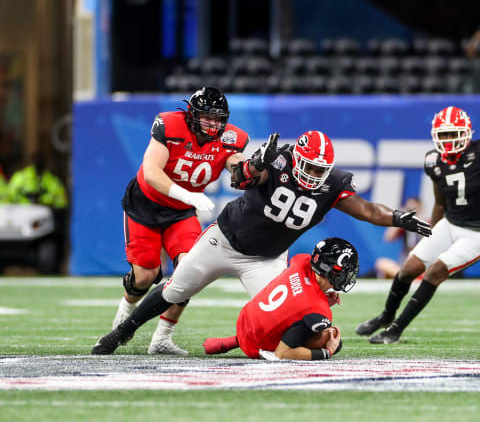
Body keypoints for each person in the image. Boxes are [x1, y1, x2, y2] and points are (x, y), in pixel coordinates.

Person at [91, 130, 431, 355]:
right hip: (224, 240)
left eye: (321, 170)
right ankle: (122, 332)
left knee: (287, 315)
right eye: (310, 167)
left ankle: (264, 348)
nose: (314, 176)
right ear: (297, 157)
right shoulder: (279, 160)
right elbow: (240, 178)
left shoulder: (332, 184)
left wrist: (398, 217)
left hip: (265, 259)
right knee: (174, 290)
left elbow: (368, 209)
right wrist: (255, 164)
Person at [356, 106, 480, 344]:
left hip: (479, 232)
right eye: (444, 134)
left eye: (453, 134)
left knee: (435, 271)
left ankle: (395, 330)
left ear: (466, 133)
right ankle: (386, 316)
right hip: (450, 223)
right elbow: (439, 203)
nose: (448, 140)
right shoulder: (434, 161)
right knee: (407, 270)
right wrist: (429, 232)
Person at [110, 86, 249, 356]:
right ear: (192, 115)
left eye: (219, 118)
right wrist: (188, 194)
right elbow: (151, 172)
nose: (213, 124)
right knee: (145, 276)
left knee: (189, 270)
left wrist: (248, 170)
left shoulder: (232, 138)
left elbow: (236, 164)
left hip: (182, 212)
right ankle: (124, 313)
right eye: (207, 118)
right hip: (145, 205)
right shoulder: (170, 125)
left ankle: (162, 338)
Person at [203, 237, 359, 361]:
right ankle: (249, 343)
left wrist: (320, 300)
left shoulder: (301, 262)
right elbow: (282, 353)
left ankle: (232, 341)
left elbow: (297, 298)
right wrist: (327, 351)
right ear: (331, 270)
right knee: (328, 336)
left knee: (298, 316)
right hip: (256, 344)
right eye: (345, 270)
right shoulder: (318, 310)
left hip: (246, 319)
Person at [374, 197, 425, 279]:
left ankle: (409, 278)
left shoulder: (427, 224)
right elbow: (388, 237)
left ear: (421, 208)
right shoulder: (405, 227)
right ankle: (406, 278)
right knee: (381, 263)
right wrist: (401, 218)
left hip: (421, 266)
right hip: (404, 265)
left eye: (414, 209)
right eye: (409, 209)